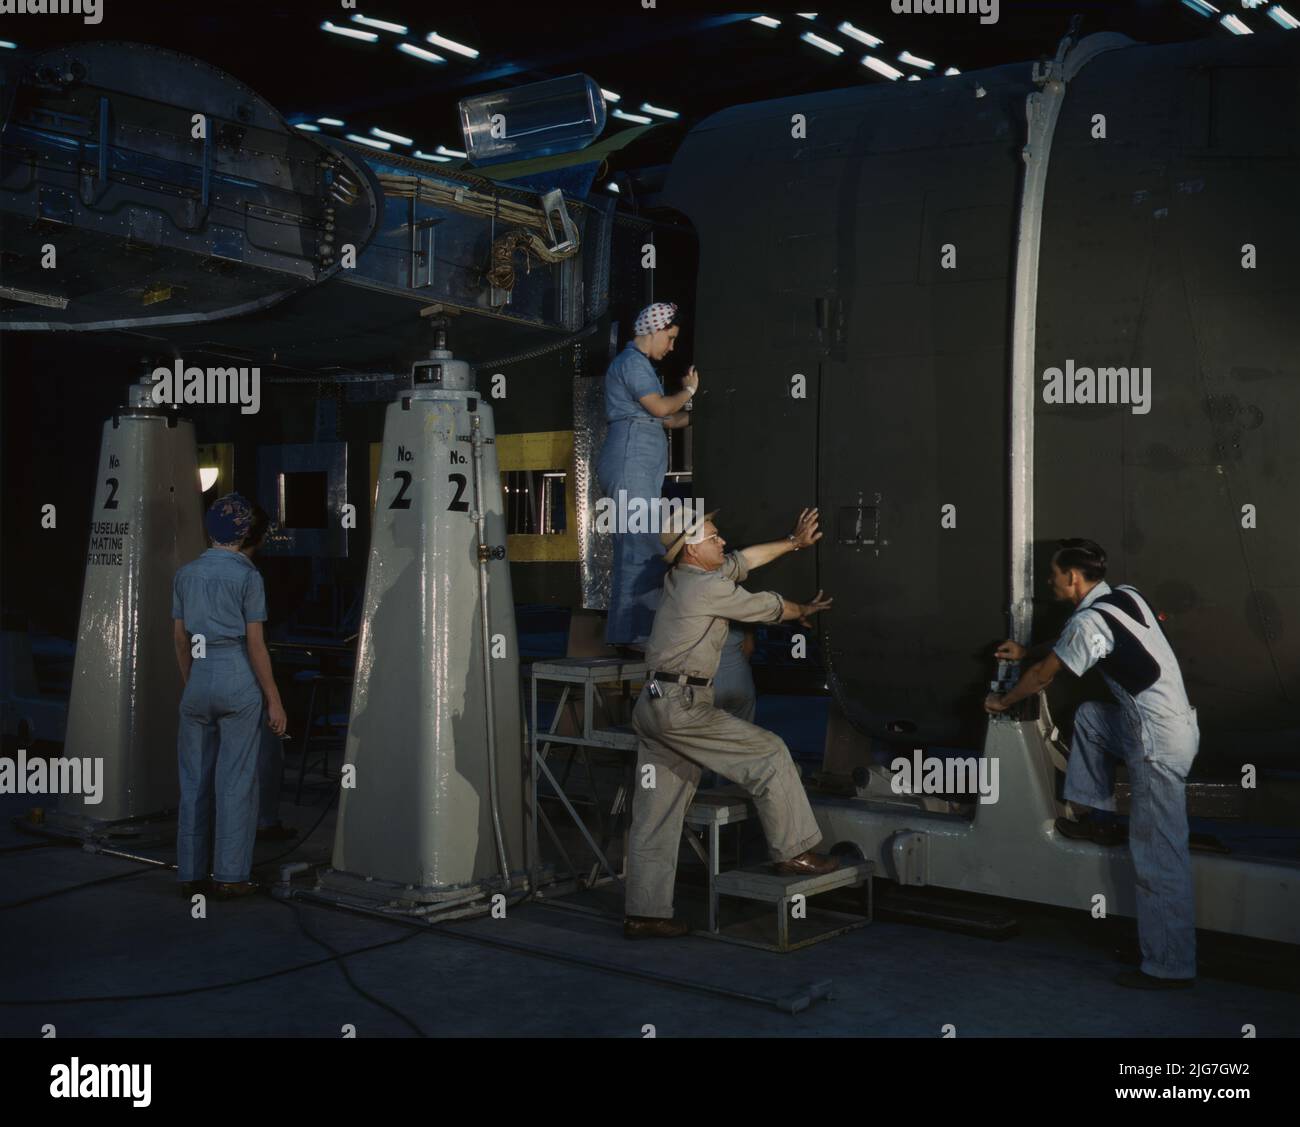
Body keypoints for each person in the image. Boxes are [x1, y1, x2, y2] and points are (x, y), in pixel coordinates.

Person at [984, 538, 1199, 988]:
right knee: (1091, 718)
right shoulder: (1125, 595)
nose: (1049, 579)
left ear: (1073, 579)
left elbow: (1047, 675)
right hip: (1167, 724)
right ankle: (1090, 810)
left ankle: (1168, 967)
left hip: (1156, 742)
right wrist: (1027, 651)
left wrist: (1004, 700)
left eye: (1053, 573)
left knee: (1159, 858)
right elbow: (1070, 640)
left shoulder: (1089, 622)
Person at [624, 506, 837, 939]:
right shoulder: (702, 589)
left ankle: (646, 912)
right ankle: (793, 852)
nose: (723, 542)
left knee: (657, 815)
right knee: (770, 752)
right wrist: (803, 610)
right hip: (680, 707)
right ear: (691, 549)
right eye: (714, 537)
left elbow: (743, 562)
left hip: (656, 704)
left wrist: (793, 543)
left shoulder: (688, 579)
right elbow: (767, 607)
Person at [172, 494, 287, 899]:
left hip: (199, 677)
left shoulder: (186, 574)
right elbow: (256, 644)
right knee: (236, 780)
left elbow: (180, 640)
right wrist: (274, 698)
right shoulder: (248, 577)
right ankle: (231, 876)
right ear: (248, 535)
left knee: (194, 781)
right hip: (237, 674)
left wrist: (193, 685)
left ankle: (189, 872)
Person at [595, 302, 698, 648]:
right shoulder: (632, 363)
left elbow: (668, 419)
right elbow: (660, 408)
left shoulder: (640, 368)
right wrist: (689, 392)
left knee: (641, 542)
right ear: (653, 330)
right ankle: (632, 634)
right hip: (631, 457)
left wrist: (699, 414)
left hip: (639, 458)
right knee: (640, 544)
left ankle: (634, 631)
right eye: (669, 339)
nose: (670, 347)